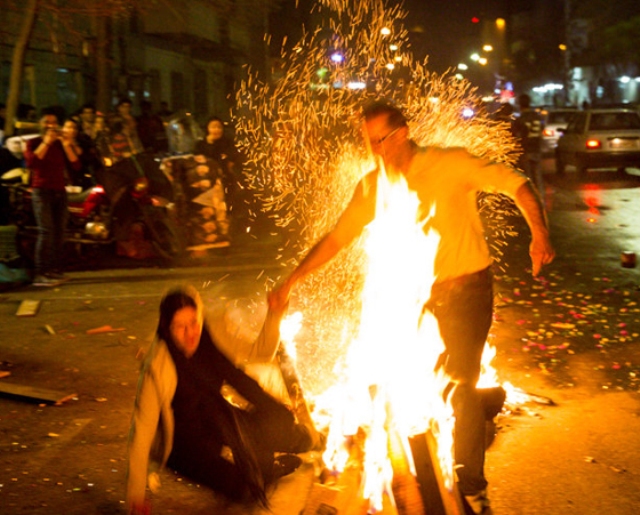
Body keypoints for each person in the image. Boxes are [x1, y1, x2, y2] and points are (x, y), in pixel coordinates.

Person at [267, 100, 555, 515]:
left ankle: (468, 480)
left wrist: (539, 234)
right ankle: (417, 467)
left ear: (401, 134)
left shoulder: (450, 164)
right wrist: (294, 278)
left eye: (380, 141)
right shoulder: (373, 186)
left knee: (460, 384)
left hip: (465, 290)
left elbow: (517, 184)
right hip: (413, 295)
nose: (375, 151)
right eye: (368, 144)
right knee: (398, 377)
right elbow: (337, 237)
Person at [126, 285, 320, 514]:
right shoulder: (157, 366)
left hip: (217, 420)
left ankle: (311, 439)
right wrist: (136, 495)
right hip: (186, 447)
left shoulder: (213, 334)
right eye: (180, 327)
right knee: (245, 490)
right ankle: (269, 471)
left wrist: (274, 314)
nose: (190, 333)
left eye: (194, 322)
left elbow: (260, 353)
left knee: (288, 433)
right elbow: (142, 431)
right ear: (167, 328)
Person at [23, 108, 82, 286]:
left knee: (59, 233)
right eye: (47, 122)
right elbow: (32, 163)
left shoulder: (59, 144)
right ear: (40, 124)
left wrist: (66, 144)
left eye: (54, 123)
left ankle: (54, 270)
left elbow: (76, 164)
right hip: (42, 191)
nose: (51, 126)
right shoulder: (33, 142)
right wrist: (46, 143)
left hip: (60, 191)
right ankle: (40, 273)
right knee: (46, 231)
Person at [194, 117, 242, 229]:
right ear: (207, 129)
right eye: (213, 127)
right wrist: (210, 143)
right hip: (207, 181)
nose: (216, 130)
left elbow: (234, 156)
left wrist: (230, 162)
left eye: (219, 127)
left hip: (226, 179)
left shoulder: (228, 142)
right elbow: (199, 159)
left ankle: (228, 229)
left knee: (227, 205)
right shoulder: (201, 144)